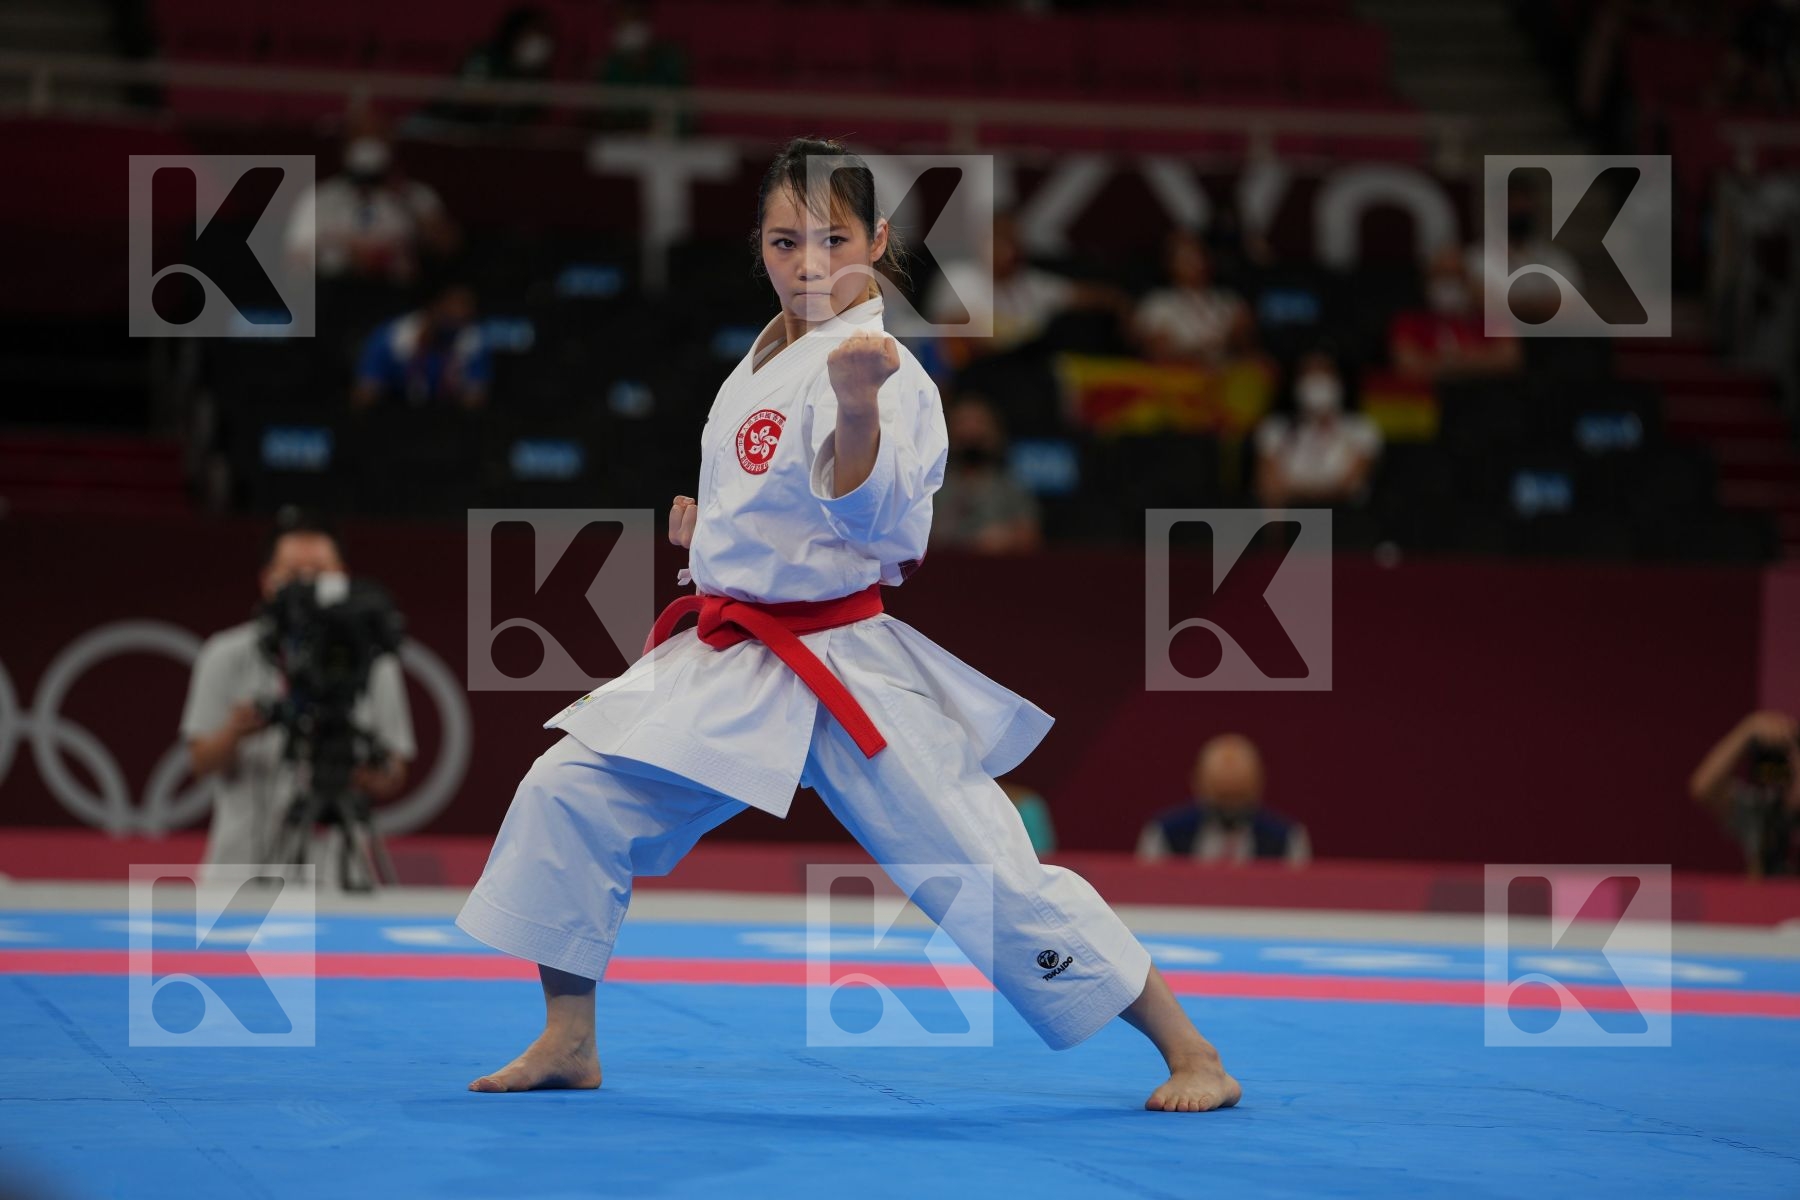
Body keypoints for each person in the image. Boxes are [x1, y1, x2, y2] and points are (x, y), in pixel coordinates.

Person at [454, 137, 1240, 1114]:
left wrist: (861, 412)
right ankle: (569, 1038)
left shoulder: (886, 368)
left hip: (841, 662)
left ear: (877, 239)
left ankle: (1192, 1050)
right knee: (567, 788)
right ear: (760, 247)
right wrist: (709, 540)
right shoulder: (756, 363)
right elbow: (772, 507)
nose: (810, 262)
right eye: (786, 241)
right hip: (735, 655)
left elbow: (882, 532)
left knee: (986, 872)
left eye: (833, 239)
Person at [179, 510, 415, 887]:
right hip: (240, 873)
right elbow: (200, 761)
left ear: (343, 577)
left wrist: (351, 765)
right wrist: (235, 732)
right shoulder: (224, 654)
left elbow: (395, 772)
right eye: (292, 574)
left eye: (319, 573)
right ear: (266, 581)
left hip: (339, 877)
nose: (306, 584)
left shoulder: (373, 660)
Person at [282, 120, 460, 287]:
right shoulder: (319, 198)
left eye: (377, 135)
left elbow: (449, 248)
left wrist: (406, 200)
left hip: (397, 294)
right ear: (345, 145)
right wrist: (343, 249)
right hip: (334, 290)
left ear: (390, 141)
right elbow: (293, 262)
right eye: (360, 135)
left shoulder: (414, 195)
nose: (368, 145)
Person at [1137, 734, 1310, 866]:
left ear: (1258, 785)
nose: (1229, 810)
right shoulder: (1165, 833)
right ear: (1198, 784)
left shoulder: (1287, 838)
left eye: (1239, 796)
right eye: (1220, 797)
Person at [1254, 352, 1382, 508]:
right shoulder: (1275, 428)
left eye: (1324, 372)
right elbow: (1269, 486)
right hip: (1293, 519)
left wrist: (1297, 491)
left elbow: (1352, 485)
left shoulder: (1361, 428)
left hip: (1344, 518)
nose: (1317, 380)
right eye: (1309, 373)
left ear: (1339, 380)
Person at [1690, 710, 1800, 877]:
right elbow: (1703, 786)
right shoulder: (1764, 811)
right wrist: (1749, 729)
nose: (1793, 762)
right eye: (1790, 753)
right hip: (1767, 902)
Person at [1388, 244, 1522, 381]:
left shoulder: (1489, 316)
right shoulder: (1410, 320)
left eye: (1456, 277)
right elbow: (1408, 365)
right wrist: (1476, 358)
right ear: (1426, 281)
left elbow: (1510, 357)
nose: (1449, 284)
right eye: (1441, 276)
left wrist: (1452, 360)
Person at [929, 394, 1042, 553]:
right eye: (963, 423)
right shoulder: (930, 487)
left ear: (995, 433)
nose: (971, 432)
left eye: (979, 423)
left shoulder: (1013, 486)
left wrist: (1006, 538)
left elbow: (1031, 535)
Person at [352, 282, 491, 409]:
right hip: (395, 415)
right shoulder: (393, 337)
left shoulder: (472, 339)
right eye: (455, 306)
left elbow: (475, 400)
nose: (462, 314)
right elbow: (365, 393)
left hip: (447, 421)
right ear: (435, 306)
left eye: (467, 309)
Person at [1132, 228, 1254, 366]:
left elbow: (1245, 348)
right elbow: (1158, 354)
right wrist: (1202, 355)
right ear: (1169, 264)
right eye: (1185, 258)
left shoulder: (1228, 300)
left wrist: (1238, 336)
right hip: (1183, 379)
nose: (1196, 263)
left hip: (1226, 374)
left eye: (1199, 255)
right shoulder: (1157, 303)